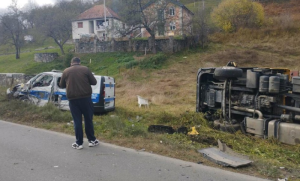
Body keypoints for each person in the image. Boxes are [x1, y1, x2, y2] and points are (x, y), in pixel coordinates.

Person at [59, 57, 99, 150]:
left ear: (71, 63)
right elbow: (94, 82)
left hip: (73, 100)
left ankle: (79, 143)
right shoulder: (85, 69)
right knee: (88, 119)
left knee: (77, 121)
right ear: (79, 62)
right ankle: (92, 140)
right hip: (86, 98)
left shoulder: (66, 71)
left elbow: (61, 85)